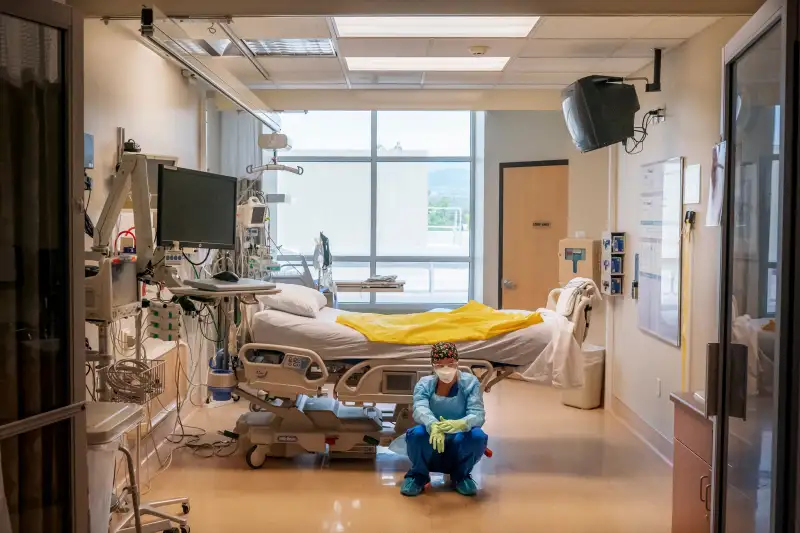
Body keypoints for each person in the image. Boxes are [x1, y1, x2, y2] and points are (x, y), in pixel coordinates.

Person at [400, 342, 488, 497]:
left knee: (477, 436)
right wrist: (432, 424)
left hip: (459, 440)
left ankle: (460, 476)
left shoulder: (470, 383)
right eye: (440, 365)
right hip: (431, 439)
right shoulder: (425, 384)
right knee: (416, 434)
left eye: (450, 364)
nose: (446, 369)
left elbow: (478, 413)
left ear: (457, 363)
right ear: (433, 366)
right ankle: (418, 476)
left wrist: (462, 423)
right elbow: (420, 408)